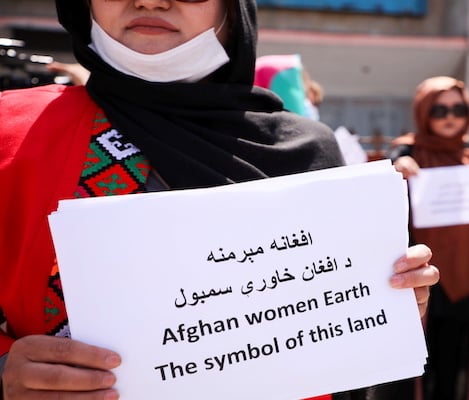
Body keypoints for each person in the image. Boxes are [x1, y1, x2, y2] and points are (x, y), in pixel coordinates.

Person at [0, 1, 439, 399]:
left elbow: (339, 364)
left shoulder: (306, 151)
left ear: (232, 10)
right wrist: (6, 373)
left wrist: (384, 300)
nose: (150, 0)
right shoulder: (13, 132)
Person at [387, 76, 469, 400]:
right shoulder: (407, 150)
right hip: (421, 270)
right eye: (439, 109)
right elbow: (383, 203)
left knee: (463, 350)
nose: (449, 116)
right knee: (423, 353)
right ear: (424, 112)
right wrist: (395, 172)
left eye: (458, 108)